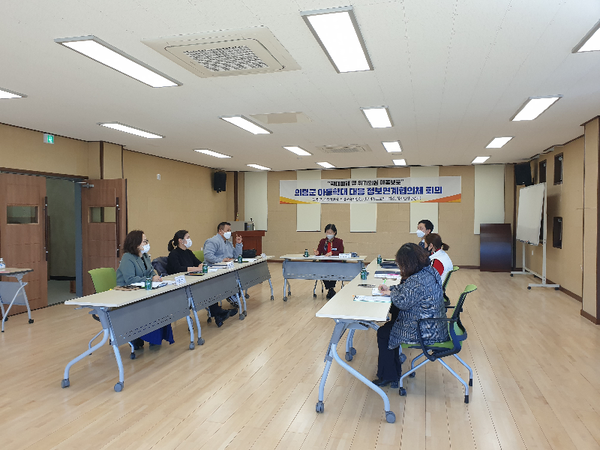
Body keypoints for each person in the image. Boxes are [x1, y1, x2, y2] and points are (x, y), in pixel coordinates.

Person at [373, 243, 449, 388]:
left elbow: (403, 302)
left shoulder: (417, 280)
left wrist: (391, 292)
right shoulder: (429, 271)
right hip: (435, 323)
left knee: (384, 332)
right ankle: (393, 372)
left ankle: (389, 376)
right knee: (393, 318)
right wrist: (391, 288)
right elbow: (407, 290)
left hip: (425, 329)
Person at [167, 229, 236, 327]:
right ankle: (218, 313)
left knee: (210, 286)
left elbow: (198, 262)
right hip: (182, 285)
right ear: (180, 240)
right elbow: (178, 269)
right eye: (188, 238)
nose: (190, 240)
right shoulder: (174, 254)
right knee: (206, 289)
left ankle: (218, 314)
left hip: (193, 280)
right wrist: (196, 268)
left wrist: (201, 265)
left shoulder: (188, 252)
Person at [116, 230, 173, 348]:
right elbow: (130, 280)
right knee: (150, 307)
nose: (147, 243)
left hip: (143, 290)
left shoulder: (145, 256)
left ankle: (155, 338)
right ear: (136, 243)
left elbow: (150, 271)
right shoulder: (127, 258)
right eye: (144, 241)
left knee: (161, 303)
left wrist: (154, 277)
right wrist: (150, 280)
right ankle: (140, 336)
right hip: (128, 293)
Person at [203, 221, 243, 311]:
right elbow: (208, 256)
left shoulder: (228, 243)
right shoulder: (212, 241)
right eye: (227, 230)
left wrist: (239, 244)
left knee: (241, 277)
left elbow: (236, 256)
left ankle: (233, 295)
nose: (230, 232)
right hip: (214, 270)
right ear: (220, 231)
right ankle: (231, 295)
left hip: (227, 269)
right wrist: (221, 260)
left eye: (230, 230)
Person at [313, 224, 344, 299]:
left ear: (334, 233)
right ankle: (331, 289)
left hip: (335, 263)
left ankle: (330, 290)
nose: (328, 234)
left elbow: (341, 252)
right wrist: (317, 253)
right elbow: (319, 251)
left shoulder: (339, 241)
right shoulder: (323, 241)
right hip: (325, 263)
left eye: (330, 233)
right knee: (322, 272)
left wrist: (332, 253)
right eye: (327, 232)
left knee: (334, 272)